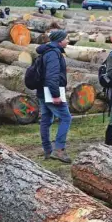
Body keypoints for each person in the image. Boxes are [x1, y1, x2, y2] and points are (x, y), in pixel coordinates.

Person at [36, 30, 72, 163]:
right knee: (66, 117)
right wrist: (55, 95)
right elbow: (52, 76)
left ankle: (47, 151)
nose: (68, 41)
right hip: (50, 92)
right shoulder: (53, 53)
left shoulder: (47, 51)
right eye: (66, 38)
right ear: (59, 40)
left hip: (42, 91)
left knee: (46, 119)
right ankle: (59, 150)